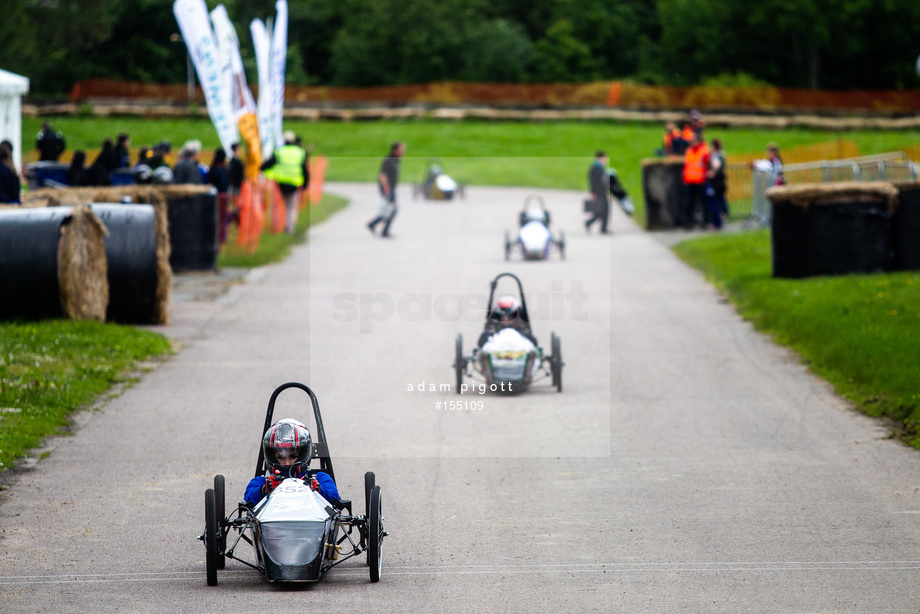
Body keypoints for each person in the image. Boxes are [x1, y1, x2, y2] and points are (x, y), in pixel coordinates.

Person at [244, 419, 340, 507]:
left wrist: (318, 490)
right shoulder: (262, 481)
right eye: (280, 457)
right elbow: (248, 498)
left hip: (310, 523)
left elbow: (335, 498)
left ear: (303, 455)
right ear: (273, 457)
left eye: (293, 456)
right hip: (274, 523)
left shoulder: (319, 478)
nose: (287, 463)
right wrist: (264, 490)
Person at [261, 131, 309, 234]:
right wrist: (305, 184)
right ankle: (290, 228)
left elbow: (268, 164)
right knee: (291, 207)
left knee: (275, 205)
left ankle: (275, 226)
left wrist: (261, 168)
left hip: (280, 183)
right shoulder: (300, 152)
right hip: (293, 183)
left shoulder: (279, 151)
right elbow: (304, 170)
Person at [367, 141, 405, 237]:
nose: (404, 150)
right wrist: (386, 187)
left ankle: (372, 224)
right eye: (402, 148)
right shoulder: (388, 160)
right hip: (387, 188)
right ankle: (384, 231)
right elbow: (383, 175)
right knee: (393, 209)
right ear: (396, 150)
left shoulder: (397, 160)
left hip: (391, 187)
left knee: (389, 210)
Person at [682, 130, 711, 228]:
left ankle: (705, 221)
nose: (691, 142)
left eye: (693, 140)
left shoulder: (704, 150)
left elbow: (708, 165)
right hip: (690, 181)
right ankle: (689, 221)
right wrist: (684, 177)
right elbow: (686, 166)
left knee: (704, 202)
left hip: (701, 181)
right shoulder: (689, 151)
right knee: (689, 202)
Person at [586, 150, 610, 234]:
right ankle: (602, 228)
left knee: (601, 211)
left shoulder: (600, 168)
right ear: (601, 158)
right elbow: (592, 182)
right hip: (599, 193)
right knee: (603, 210)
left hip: (602, 192)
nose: (606, 160)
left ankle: (590, 223)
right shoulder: (595, 168)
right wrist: (593, 193)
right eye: (605, 158)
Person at [707, 138, 728, 220]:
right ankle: (724, 211)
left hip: (717, 180)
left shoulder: (716, 156)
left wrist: (712, 173)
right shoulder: (722, 155)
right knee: (721, 197)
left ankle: (721, 212)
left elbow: (716, 166)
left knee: (718, 197)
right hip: (721, 179)